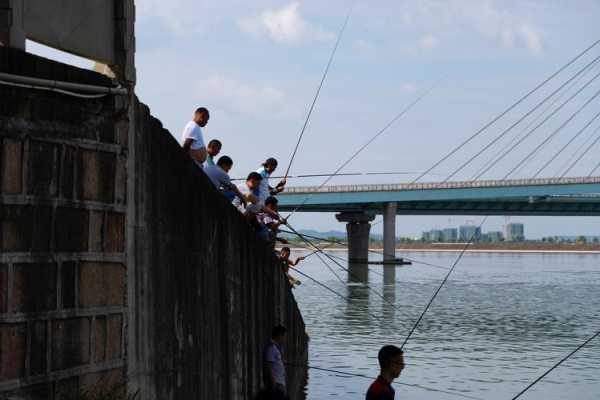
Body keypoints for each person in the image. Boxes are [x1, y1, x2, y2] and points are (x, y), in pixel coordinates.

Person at [263, 325, 288, 398]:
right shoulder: (271, 348)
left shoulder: (274, 347)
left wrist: (281, 362)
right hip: (276, 384)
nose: (285, 339)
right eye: (284, 336)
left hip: (279, 382)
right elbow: (268, 366)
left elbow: (274, 361)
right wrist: (273, 383)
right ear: (280, 336)